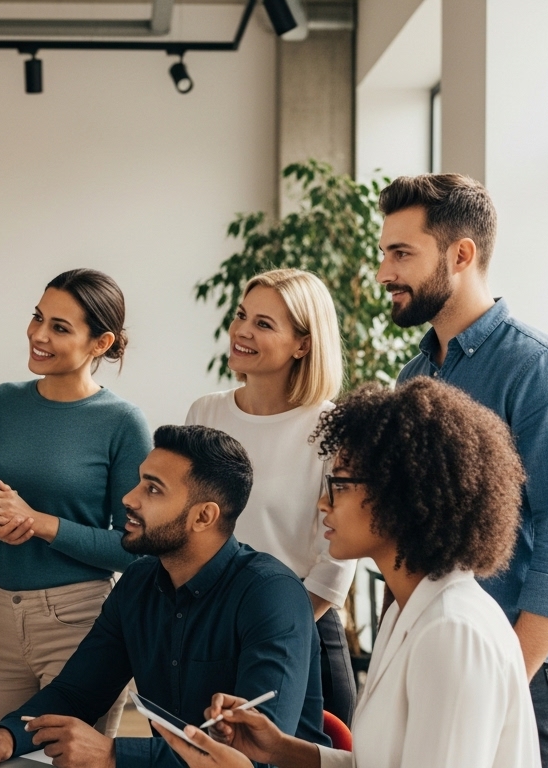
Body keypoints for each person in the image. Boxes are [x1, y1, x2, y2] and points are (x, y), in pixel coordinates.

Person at [154, 379, 539, 768]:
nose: (323, 502)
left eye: (338, 484)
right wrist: (279, 749)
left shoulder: (451, 632)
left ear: (398, 495)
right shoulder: (407, 613)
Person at [377, 173, 548, 767]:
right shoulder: (413, 378)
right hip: (424, 654)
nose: (384, 273)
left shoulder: (542, 372)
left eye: (402, 253)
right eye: (384, 253)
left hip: (513, 665)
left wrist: (503, 675)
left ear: (461, 254)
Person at [0, 425, 328, 768]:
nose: (129, 498)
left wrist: (114, 755)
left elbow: (255, 759)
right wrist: (7, 735)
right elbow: (77, 693)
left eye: (152, 488)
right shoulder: (138, 583)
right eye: (139, 482)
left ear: (203, 517)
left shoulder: (271, 596)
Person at [0, 269, 152, 735]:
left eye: (60, 327)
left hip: (78, 621)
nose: (39, 335)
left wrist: (41, 523)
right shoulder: (3, 401)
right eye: (37, 317)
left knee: (65, 760)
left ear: (101, 343)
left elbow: (137, 550)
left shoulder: (122, 423)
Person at [185, 268, 358, 724]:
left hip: (305, 633)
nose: (241, 330)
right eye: (242, 315)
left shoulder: (332, 428)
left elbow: (337, 558)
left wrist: (274, 630)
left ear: (303, 344)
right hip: (211, 634)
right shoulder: (204, 413)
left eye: (264, 323)